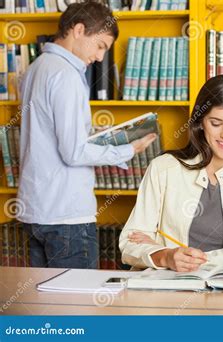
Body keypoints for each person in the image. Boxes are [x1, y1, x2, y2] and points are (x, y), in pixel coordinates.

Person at [18, 2, 156, 269]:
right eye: (101, 45)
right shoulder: (66, 75)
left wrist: (96, 136)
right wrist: (129, 149)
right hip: (66, 217)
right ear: (79, 30)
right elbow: (73, 152)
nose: (101, 57)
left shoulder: (36, 68)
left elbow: (48, 135)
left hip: (35, 212)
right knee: (76, 306)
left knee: (41, 304)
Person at [119, 75, 223, 272]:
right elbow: (130, 243)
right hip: (165, 291)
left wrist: (177, 255)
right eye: (216, 123)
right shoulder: (164, 168)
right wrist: (166, 257)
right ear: (200, 123)